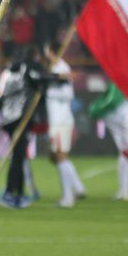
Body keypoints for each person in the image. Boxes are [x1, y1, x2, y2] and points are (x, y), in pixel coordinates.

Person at [0, 47, 50, 209]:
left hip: (10, 119)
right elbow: (39, 78)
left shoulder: (6, 74)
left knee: (19, 156)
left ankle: (17, 192)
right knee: (18, 156)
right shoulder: (22, 72)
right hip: (19, 118)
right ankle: (12, 192)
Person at [44, 43, 85, 208]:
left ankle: (69, 197)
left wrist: (47, 91)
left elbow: (68, 94)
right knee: (56, 157)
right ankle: (77, 187)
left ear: (52, 52)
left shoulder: (61, 68)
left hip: (61, 120)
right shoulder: (53, 69)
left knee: (60, 156)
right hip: (56, 120)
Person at [90, 84, 128, 200]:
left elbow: (111, 99)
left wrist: (95, 109)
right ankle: (124, 190)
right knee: (125, 153)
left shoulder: (124, 78)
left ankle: (124, 191)